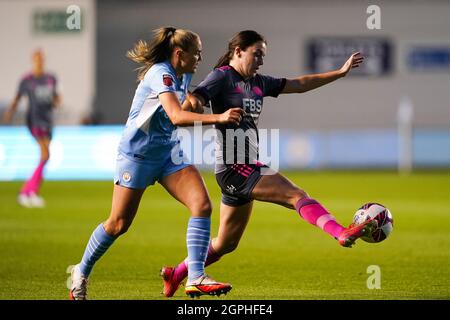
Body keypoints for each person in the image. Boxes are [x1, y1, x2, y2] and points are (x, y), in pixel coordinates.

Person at [160, 30, 377, 297]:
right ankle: (341, 232)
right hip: (235, 167)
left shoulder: (260, 82)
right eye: (257, 54)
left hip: (245, 166)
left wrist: (339, 72)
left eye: (263, 55)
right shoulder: (222, 76)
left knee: (226, 243)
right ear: (238, 51)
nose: (261, 60)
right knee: (296, 195)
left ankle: (176, 274)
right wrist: (192, 103)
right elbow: (197, 98)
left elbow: (299, 84)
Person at [68, 27, 243, 300]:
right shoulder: (160, 73)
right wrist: (218, 118)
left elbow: (183, 105)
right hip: (137, 155)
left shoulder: (184, 74)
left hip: (168, 153)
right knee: (118, 224)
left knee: (202, 205)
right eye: (196, 53)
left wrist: (200, 100)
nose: (200, 58)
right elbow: (175, 115)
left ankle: (195, 276)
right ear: (178, 54)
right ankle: (80, 271)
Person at [2, 49, 61, 208]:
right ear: (33, 60)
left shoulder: (51, 78)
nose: (40, 61)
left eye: (41, 58)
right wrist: (10, 112)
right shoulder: (26, 80)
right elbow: (17, 98)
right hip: (34, 120)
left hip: (47, 120)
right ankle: (27, 192)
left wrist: (57, 100)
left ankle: (31, 192)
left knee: (45, 157)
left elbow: (55, 96)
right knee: (45, 154)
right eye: (37, 58)